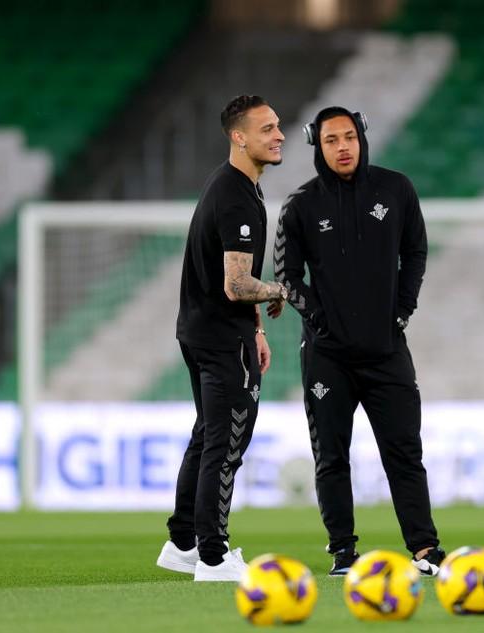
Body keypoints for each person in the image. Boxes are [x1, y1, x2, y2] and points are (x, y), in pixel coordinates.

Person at [274, 106, 444, 576]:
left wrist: (402, 310)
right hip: (327, 356)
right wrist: (322, 322)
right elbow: (286, 277)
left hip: (387, 350)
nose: (343, 146)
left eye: (349, 137)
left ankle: (425, 549)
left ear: (362, 138)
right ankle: (343, 552)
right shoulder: (300, 205)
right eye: (331, 140)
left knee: (405, 452)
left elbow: (416, 251)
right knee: (331, 456)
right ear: (317, 145)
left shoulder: (396, 189)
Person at [156, 95, 288, 582]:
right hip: (218, 337)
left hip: (204, 331)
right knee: (227, 443)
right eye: (267, 128)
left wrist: (255, 329)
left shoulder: (232, 185)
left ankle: (184, 542)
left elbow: (228, 278)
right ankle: (213, 556)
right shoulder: (237, 196)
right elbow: (237, 283)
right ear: (239, 136)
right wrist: (283, 289)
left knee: (208, 434)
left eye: (277, 127)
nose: (278, 135)